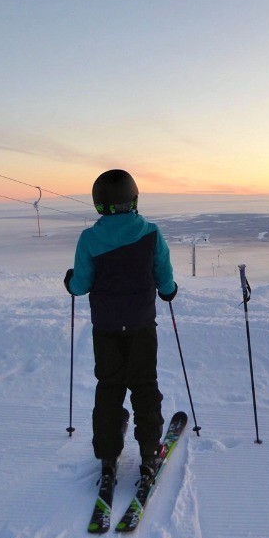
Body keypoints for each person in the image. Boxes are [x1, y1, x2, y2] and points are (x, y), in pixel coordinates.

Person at [64, 169, 177, 488]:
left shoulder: (89, 238)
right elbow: (164, 276)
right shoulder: (151, 233)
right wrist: (168, 291)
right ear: (134, 198)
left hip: (106, 329)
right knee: (144, 385)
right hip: (142, 325)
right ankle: (148, 454)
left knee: (109, 387)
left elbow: (80, 285)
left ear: (99, 204)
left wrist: (70, 282)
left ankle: (108, 457)